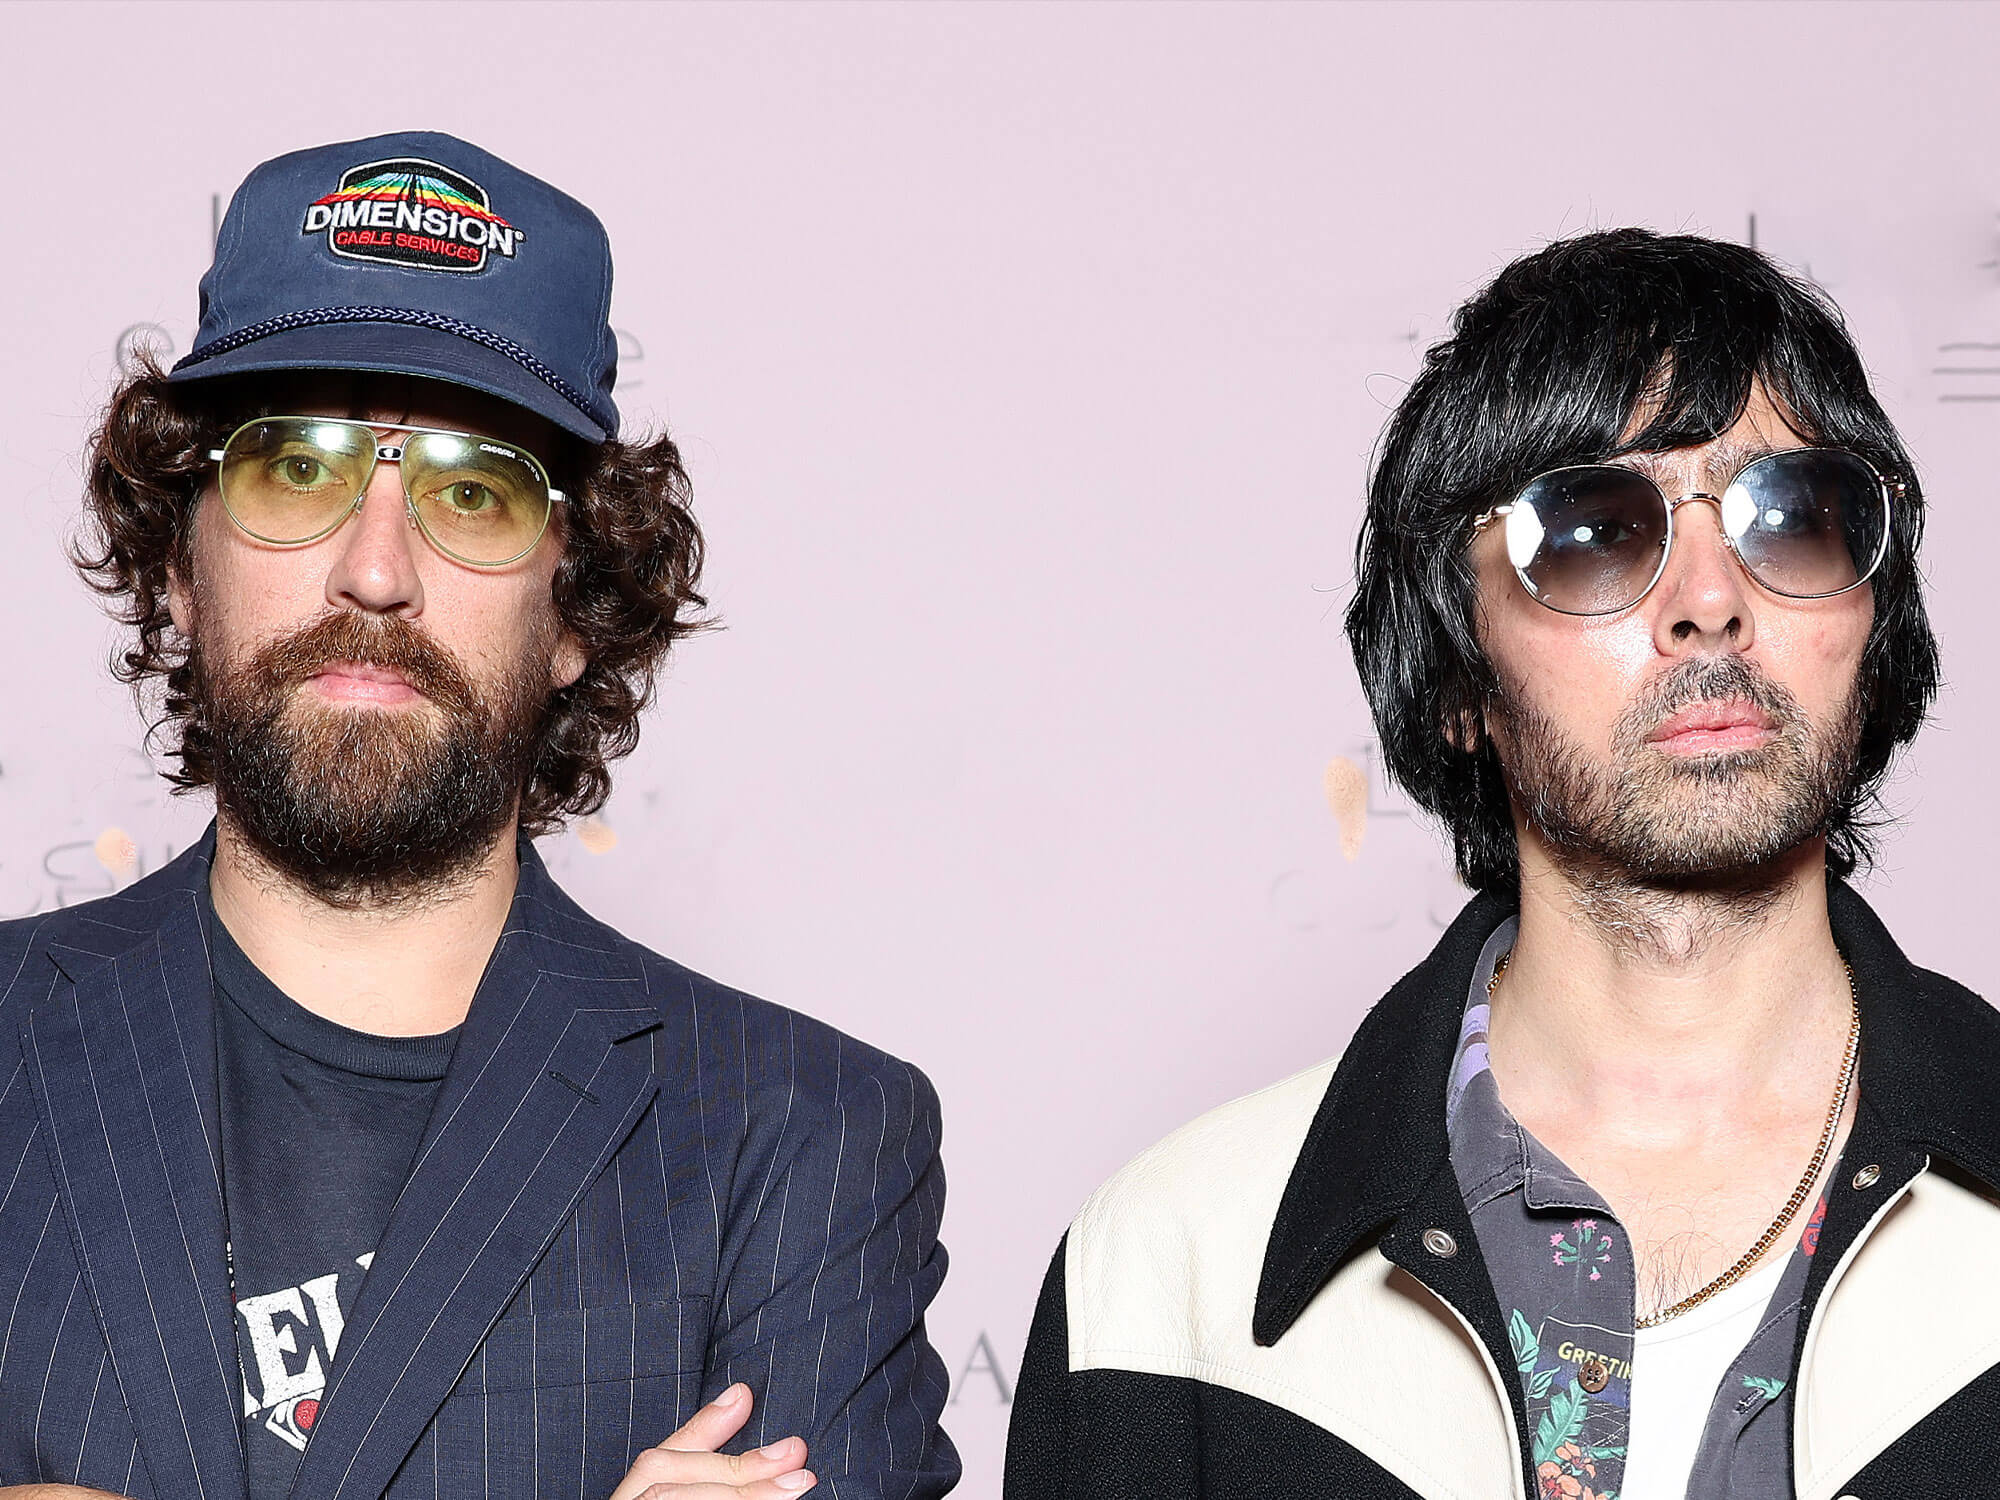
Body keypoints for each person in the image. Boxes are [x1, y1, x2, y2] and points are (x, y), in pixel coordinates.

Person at [0, 132, 958, 1500]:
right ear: (177, 569)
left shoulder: (801, 1139)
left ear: (576, 608)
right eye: (295, 468)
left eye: (472, 491)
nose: (375, 568)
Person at [1004, 229, 2000, 1500]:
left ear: (1871, 615)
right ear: (1456, 674)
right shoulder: (1165, 1276)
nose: (1710, 597)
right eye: (1590, 530)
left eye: (1790, 516)